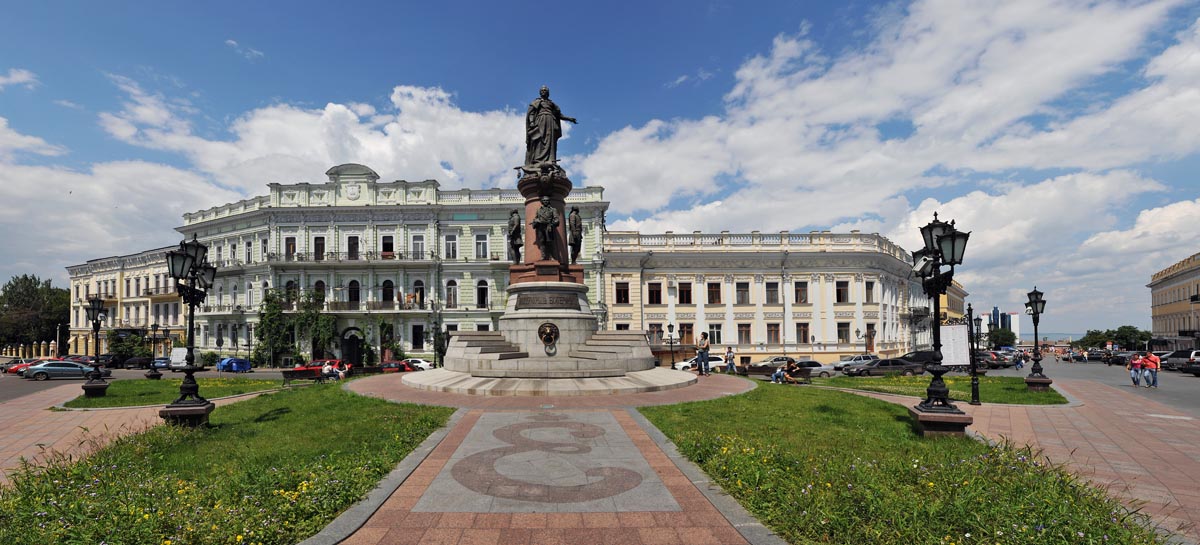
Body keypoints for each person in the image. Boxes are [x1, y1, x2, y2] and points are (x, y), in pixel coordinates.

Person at [525, 85, 577, 168]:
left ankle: (550, 160)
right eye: (542, 90)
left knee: (550, 141)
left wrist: (569, 119)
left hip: (550, 123)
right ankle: (537, 160)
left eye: (545, 90)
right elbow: (531, 113)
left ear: (548, 93)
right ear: (539, 92)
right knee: (539, 139)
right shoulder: (536, 102)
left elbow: (559, 115)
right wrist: (531, 122)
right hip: (540, 121)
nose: (543, 91)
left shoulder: (551, 103)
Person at [531, 196, 560, 263]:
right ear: (542, 201)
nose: (545, 202)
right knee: (542, 242)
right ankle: (543, 256)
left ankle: (551, 256)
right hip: (541, 228)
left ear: (549, 201)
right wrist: (536, 221)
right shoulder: (539, 210)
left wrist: (551, 225)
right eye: (544, 200)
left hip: (548, 227)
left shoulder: (553, 210)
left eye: (547, 200)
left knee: (550, 242)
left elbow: (556, 219)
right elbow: (535, 218)